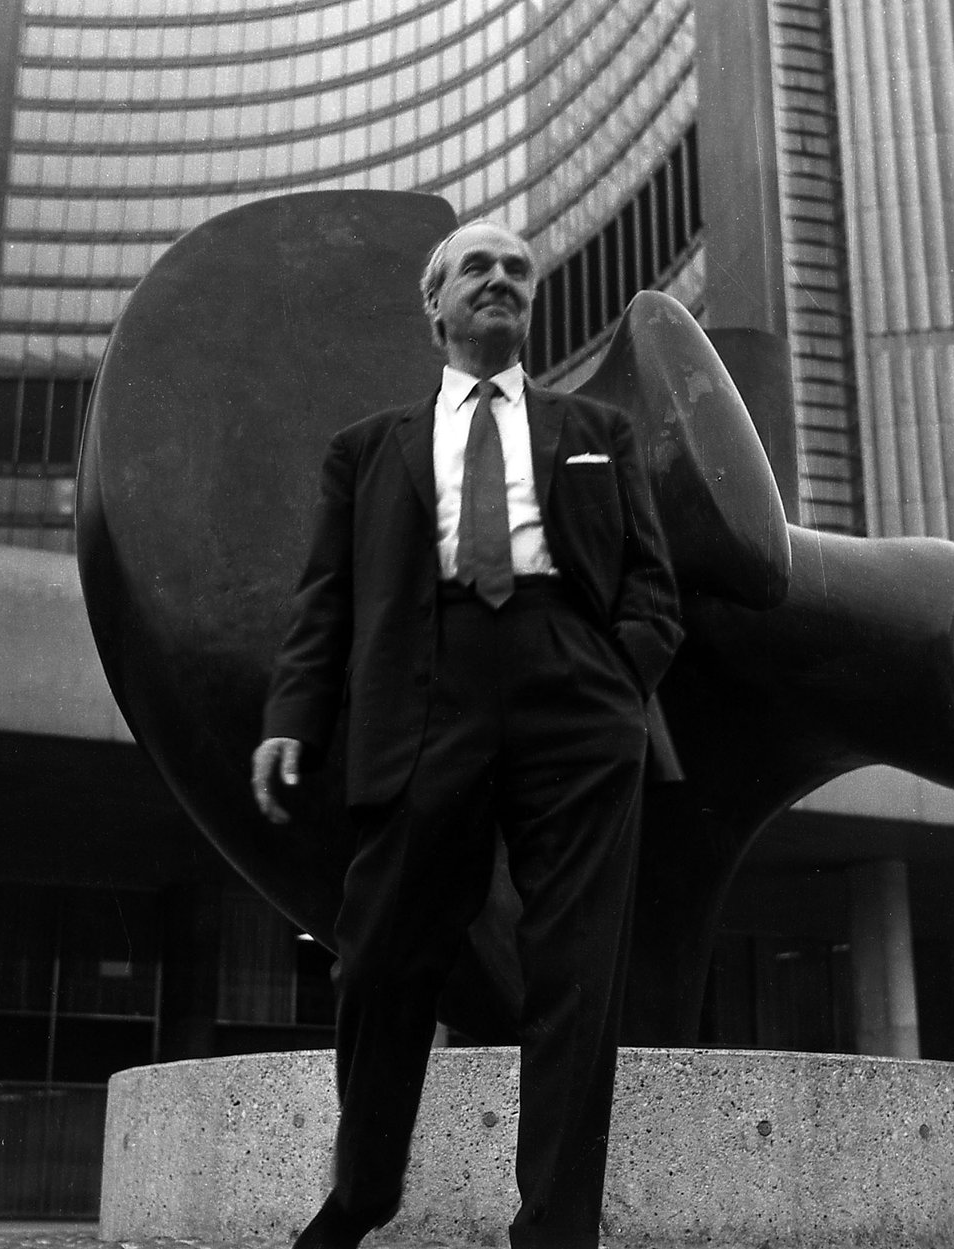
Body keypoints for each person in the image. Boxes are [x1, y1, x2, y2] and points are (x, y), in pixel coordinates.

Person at [251, 219, 683, 1249]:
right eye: (478, 268)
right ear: (435, 306)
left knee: (577, 967)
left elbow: (653, 585)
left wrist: (618, 680)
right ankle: (361, 1194)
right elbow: (327, 602)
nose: (502, 280)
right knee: (385, 956)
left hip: (573, 690)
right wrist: (290, 718)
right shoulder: (366, 451)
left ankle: (555, 1230)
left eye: (518, 270)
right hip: (421, 689)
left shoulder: (596, 429)